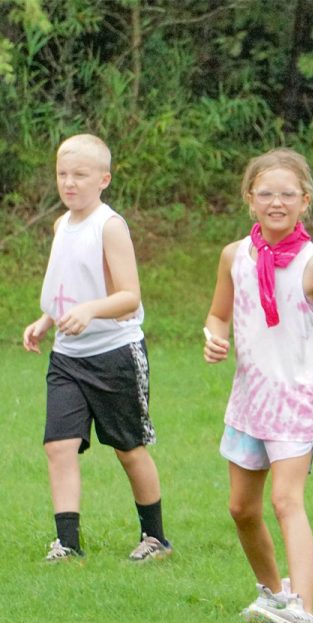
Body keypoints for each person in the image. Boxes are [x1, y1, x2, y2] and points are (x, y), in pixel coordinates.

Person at [203, 148, 313, 623]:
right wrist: (215, 336)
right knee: (241, 507)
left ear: (304, 201)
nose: (276, 202)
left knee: (286, 501)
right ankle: (274, 593)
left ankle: (305, 610)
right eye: (266, 193)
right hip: (249, 398)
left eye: (287, 194)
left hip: (296, 398)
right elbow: (218, 314)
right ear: (250, 199)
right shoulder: (234, 256)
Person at [22, 133, 172, 562]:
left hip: (115, 355)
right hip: (67, 357)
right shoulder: (60, 225)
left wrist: (91, 311)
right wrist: (47, 318)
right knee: (59, 445)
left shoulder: (110, 226)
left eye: (80, 175)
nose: (69, 183)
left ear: (103, 179)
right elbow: (67, 283)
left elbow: (130, 297)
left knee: (128, 448)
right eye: (62, 174)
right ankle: (67, 544)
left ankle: (156, 538)